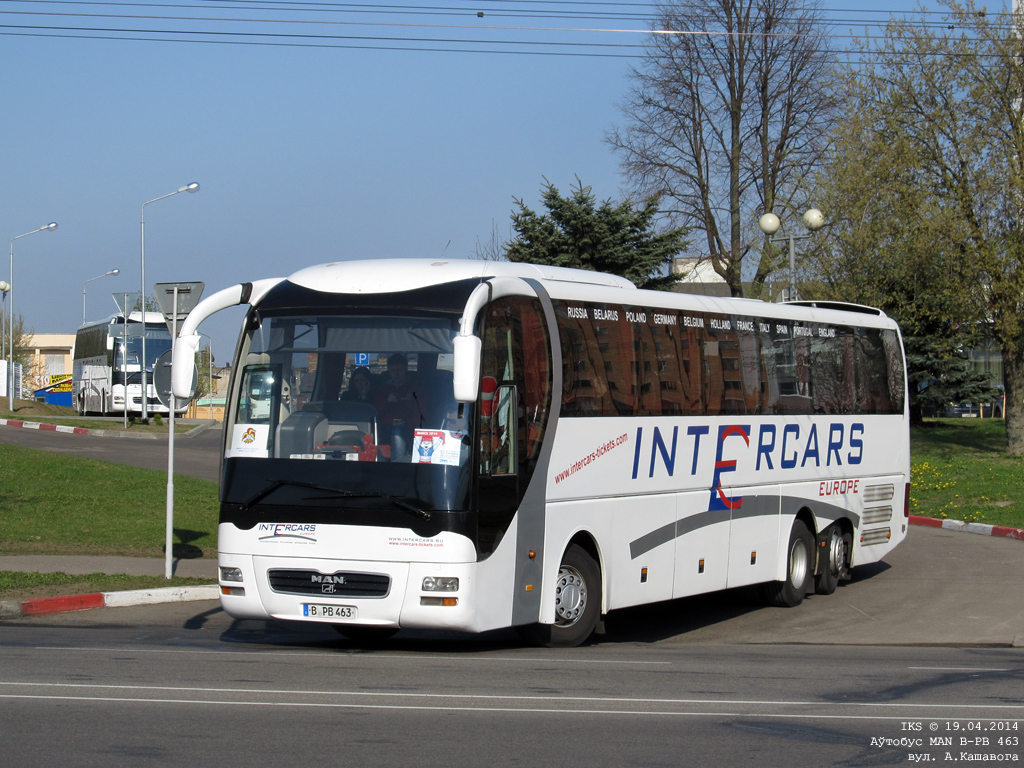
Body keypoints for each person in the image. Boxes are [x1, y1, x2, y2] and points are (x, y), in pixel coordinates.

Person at [375, 354, 424, 458]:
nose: (396, 374)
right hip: (384, 426)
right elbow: (375, 411)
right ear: (389, 371)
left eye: (399, 370)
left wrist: (406, 422)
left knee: (397, 432)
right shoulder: (383, 389)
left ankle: (398, 463)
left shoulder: (415, 389)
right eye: (393, 371)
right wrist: (387, 401)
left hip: (408, 427)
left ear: (405, 369)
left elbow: (421, 414)